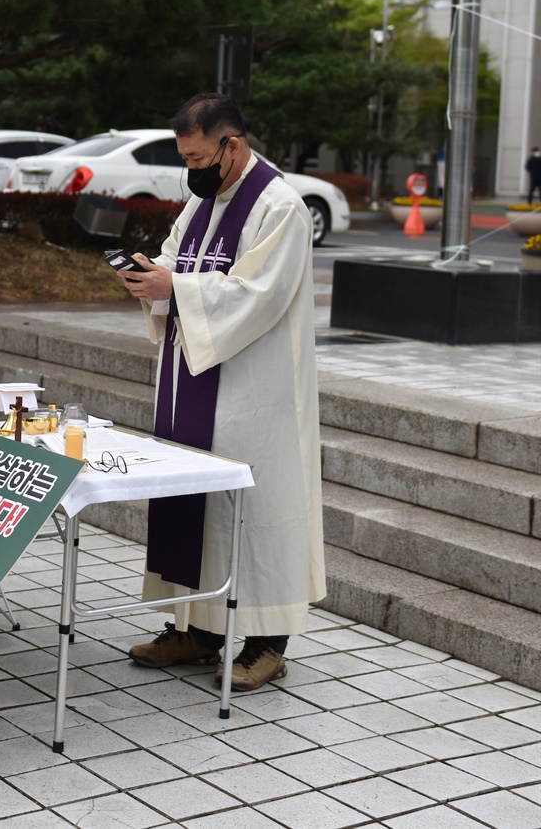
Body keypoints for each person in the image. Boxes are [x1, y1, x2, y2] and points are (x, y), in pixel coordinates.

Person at [115, 93, 324, 691]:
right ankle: (200, 631)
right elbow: (178, 263)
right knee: (195, 503)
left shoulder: (280, 206)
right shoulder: (202, 203)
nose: (192, 169)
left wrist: (173, 287)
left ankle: (268, 643)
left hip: (255, 390)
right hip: (195, 381)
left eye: (199, 156)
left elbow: (257, 294)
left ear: (231, 146)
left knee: (255, 511)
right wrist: (150, 276)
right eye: (185, 158)